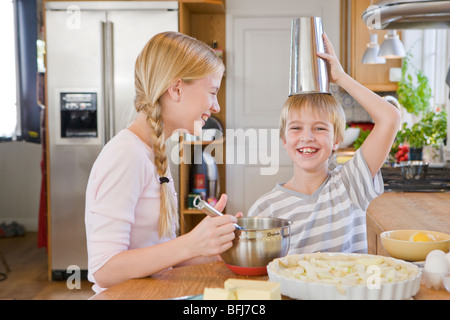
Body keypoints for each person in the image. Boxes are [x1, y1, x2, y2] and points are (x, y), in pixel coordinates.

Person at [85, 32, 240, 293]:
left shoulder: (151, 151)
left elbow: (153, 260)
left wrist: (212, 247)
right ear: (176, 89)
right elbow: (105, 269)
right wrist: (190, 244)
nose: (216, 107)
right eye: (212, 92)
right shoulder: (126, 155)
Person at [247, 33, 401, 254]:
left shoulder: (350, 184)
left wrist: (341, 77)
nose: (307, 137)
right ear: (284, 139)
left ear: (337, 139)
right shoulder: (266, 210)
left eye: (319, 128)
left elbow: (390, 118)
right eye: (296, 128)